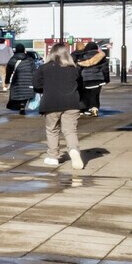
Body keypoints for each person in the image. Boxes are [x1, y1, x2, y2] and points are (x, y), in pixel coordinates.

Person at [37, 42, 86, 171]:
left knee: (52, 129)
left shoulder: (43, 68)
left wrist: (46, 87)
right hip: (71, 103)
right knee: (70, 131)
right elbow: (81, 86)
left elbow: (36, 85)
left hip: (51, 102)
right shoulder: (74, 69)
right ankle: (74, 150)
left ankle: (53, 156)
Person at [75, 38, 109, 116]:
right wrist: (106, 79)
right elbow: (105, 68)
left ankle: (86, 109)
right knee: (95, 95)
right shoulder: (101, 56)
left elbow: (79, 68)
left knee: (86, 94)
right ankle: (94, 109)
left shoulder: (83, 55)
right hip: (98, 79)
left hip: (86, 79)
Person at [5, 45, 40, 114]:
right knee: (26, 93)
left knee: (18, 93)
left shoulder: (13, 59)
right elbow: (34, 71)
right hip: (29, 80)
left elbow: (9, 71)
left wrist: (7, 81)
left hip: (17, 80)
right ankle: (23, 105)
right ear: (24, 50)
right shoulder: (30, 59)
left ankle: (21, 106)